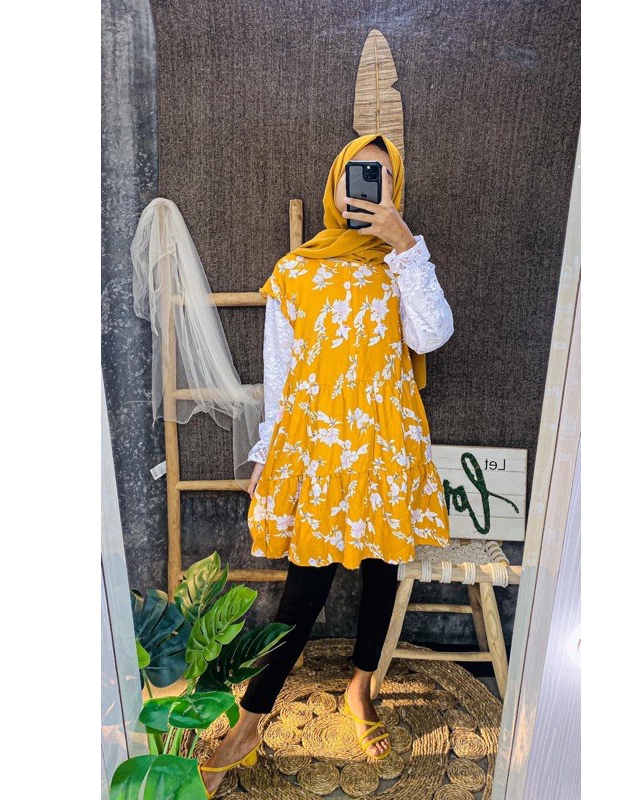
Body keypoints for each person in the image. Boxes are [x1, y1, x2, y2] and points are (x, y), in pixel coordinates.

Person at [198, 133, 454, 798]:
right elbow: (281, 374)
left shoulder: (402, 262)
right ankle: (252, 721)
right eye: (355, 174)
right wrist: (265, 452)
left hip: (384, 443)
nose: (365, 186)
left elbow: (431, 335)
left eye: (380, 176)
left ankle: (360, 689)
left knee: (381, 570)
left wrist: (404, 244)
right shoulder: (295, 271)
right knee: (304, 585)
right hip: (317, 447)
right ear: (334, 185)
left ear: (395, 188)